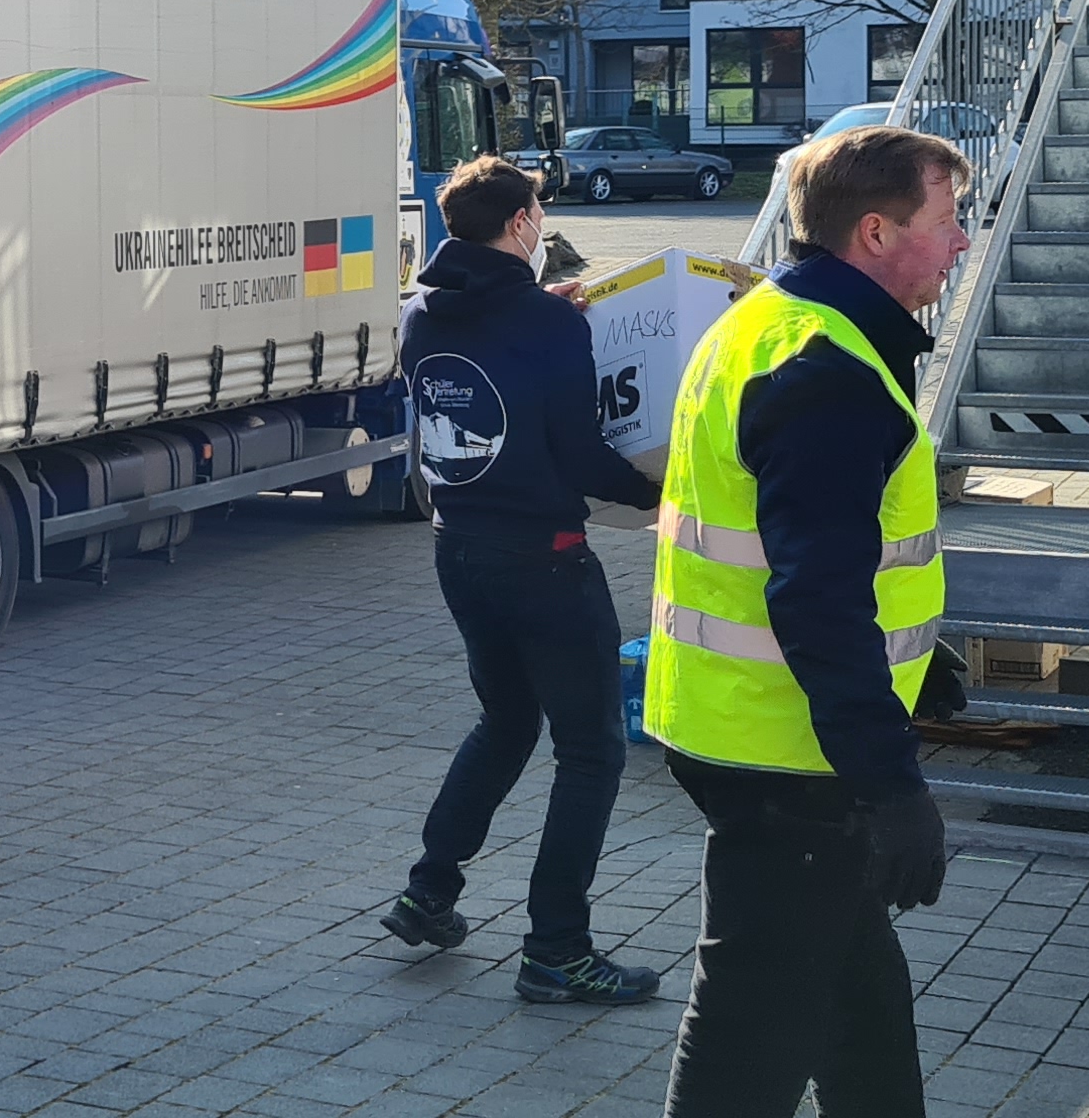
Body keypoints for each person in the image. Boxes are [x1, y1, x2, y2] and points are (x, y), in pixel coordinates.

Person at [649, 125, 972, 1118]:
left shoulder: (773, 320)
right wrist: (891, 784)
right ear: (876, 232)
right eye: (949, 218)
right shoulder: (827, 369)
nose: (963, 241)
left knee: (859, 1012)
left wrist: (917, 657)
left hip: (751, 730)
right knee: (749, 1035)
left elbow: (812, 553)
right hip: (788, 761)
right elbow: (817, 599)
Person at [380, 156, 664, 1006]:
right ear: (522, 224)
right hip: (545, 559)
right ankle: (557, 951)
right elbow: (579, 453)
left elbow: (491, 347)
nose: (543, 223)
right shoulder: (543, 320)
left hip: (459, 549)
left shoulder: (419, 312)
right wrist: (666, 492)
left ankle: (428, 892)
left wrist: (547, 309)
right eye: (538, 211)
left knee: (506, 721)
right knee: (591, 751)